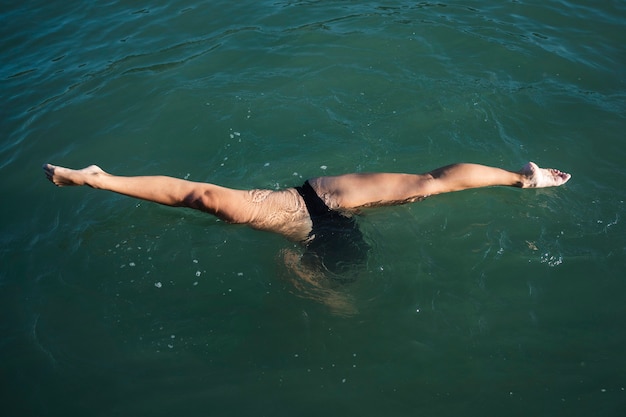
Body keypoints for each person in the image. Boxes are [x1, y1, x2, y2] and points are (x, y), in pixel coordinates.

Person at [43, 161, 570, 276]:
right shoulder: (325, 246)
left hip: (319, 205)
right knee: (208, 200)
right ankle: (100, 178)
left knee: (430, 186)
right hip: (311, 209)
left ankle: (527, 179)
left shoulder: (330, 254)